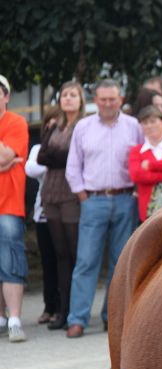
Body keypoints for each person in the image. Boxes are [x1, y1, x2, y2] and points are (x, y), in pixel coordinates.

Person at [65, 79, 143, 338]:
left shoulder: (133, 127)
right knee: (86, 261)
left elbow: (141, 158)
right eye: (103, 99)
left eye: (112, 99)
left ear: (120, 99)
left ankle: (114, 317)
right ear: (95, 100)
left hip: (124, 199)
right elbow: (73, 165)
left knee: (121, 262)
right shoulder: (83, 127)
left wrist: (134, 192)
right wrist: (83, 196)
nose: (108, 104)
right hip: (94, 200)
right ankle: (77, 318)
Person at [37, 82, 85, 331]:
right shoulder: (55, 126)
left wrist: (56, 156)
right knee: (60, 255)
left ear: (81, 99)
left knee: (76, 254)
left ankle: (76, 311)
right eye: (65, 95)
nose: (68, 99)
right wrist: (58, 155)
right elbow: (41, 156)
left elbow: (72, 158)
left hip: (71, 193)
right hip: (51, 192)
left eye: (73, 95)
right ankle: (62, 309)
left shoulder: (83, 125)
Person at [0, 74, 30, 343]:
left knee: (11, 262)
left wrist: (7, 159)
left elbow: (4, 157)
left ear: (6, 96)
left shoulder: (17, 122)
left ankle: (15, 320)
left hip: (9, 204)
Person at [26, 136, 61, 328]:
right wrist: (52, 161)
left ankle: (62, 306)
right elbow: (30, 169)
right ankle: (49, 306)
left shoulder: (72, 143)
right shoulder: (39, 148)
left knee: (64, 260)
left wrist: (48, 162)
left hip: (66, 212)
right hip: (43, 213)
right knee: (48, 262)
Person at [128, 106, 162, 221]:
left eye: (153, 121)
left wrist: (151, 165)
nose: (149, 126)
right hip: (150, 212)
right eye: (145, 123)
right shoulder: (137, 151)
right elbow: (136, 175)